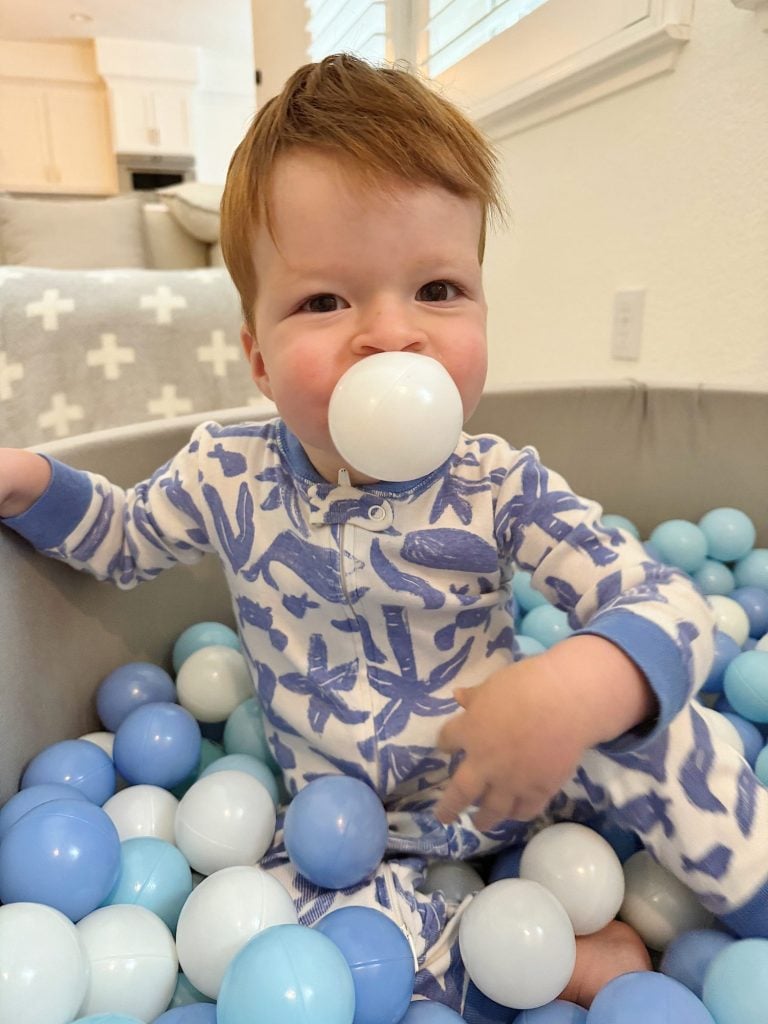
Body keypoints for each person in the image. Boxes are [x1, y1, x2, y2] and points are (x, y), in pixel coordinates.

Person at [1, 54, 766, 1017]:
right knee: (269, 934)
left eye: (438, 289)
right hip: (352, 824)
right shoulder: (225, 471)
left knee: (674, 734)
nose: (391, 335)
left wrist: (575, 689)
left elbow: (669, 603)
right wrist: (30, 481)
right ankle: (536, 960)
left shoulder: (500, 483)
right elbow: (123, 540)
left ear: (485, 306)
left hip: (523, 770)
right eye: (326, 301)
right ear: (259, 358)